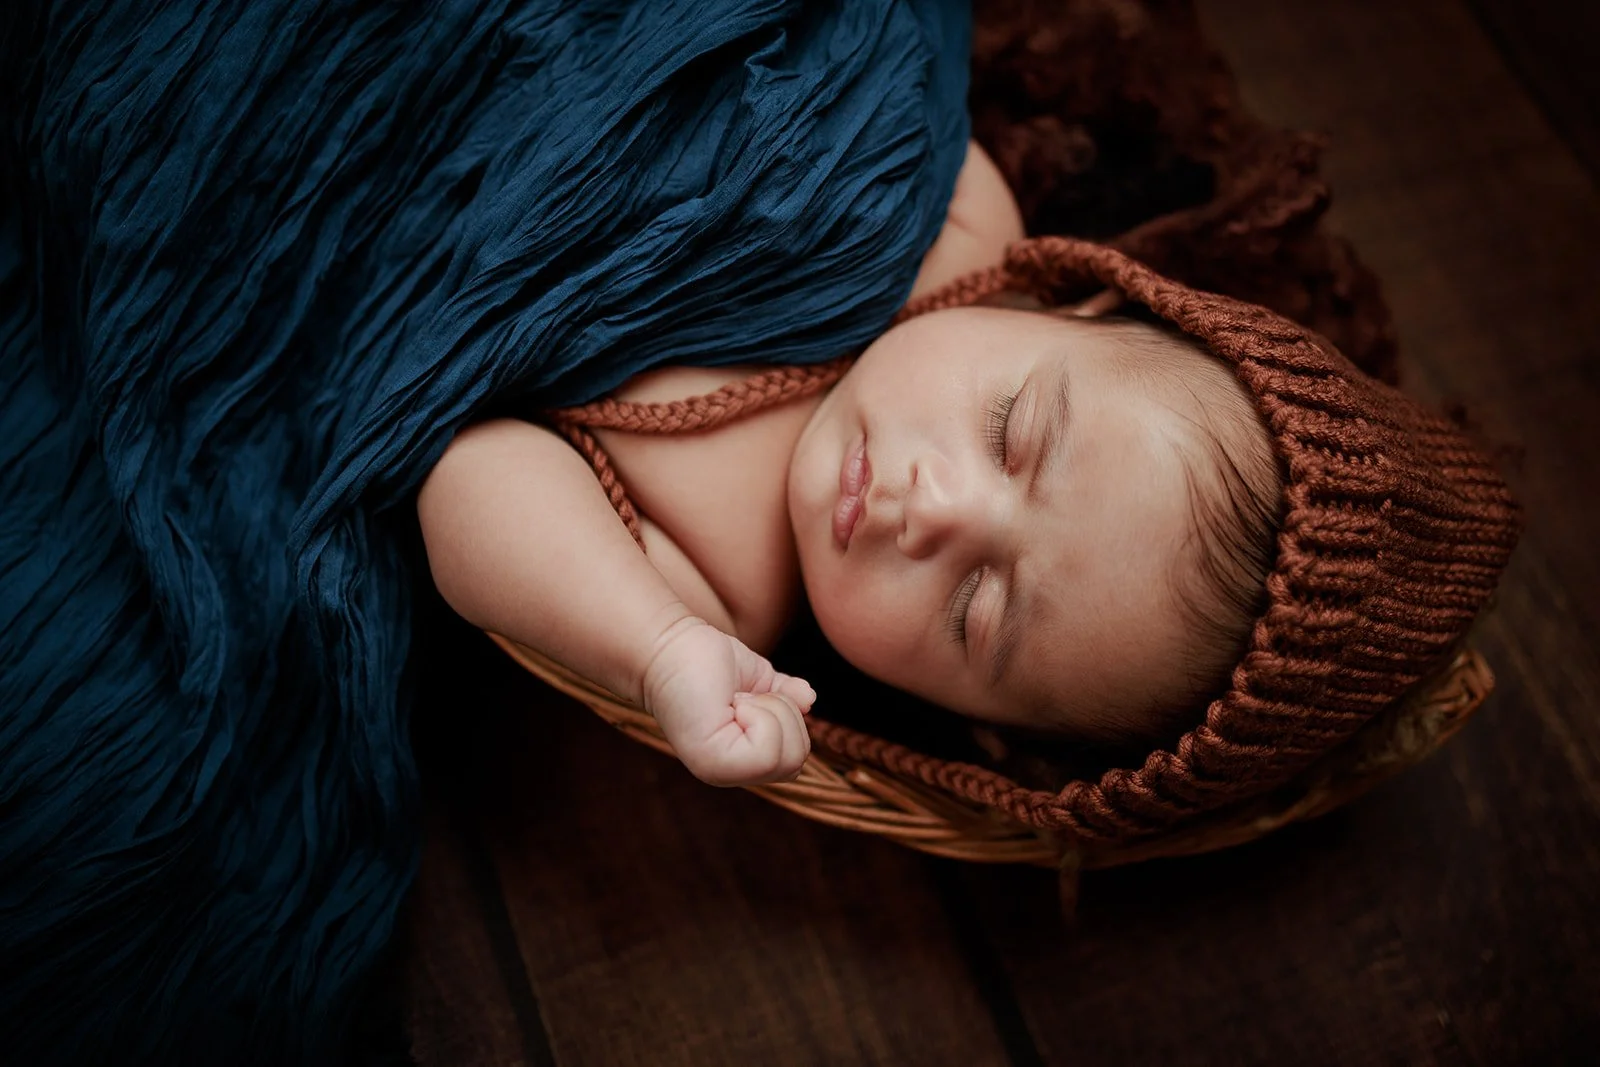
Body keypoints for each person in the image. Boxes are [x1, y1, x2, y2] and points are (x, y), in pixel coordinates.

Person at [417, 141, 1282, 787]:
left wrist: (657, 650)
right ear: (1067, 304)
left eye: (973, 611)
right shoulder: (968, 235)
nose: (935, 511)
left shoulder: (715, 601)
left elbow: (464, 463)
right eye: (1009, 430)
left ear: (961, 721)